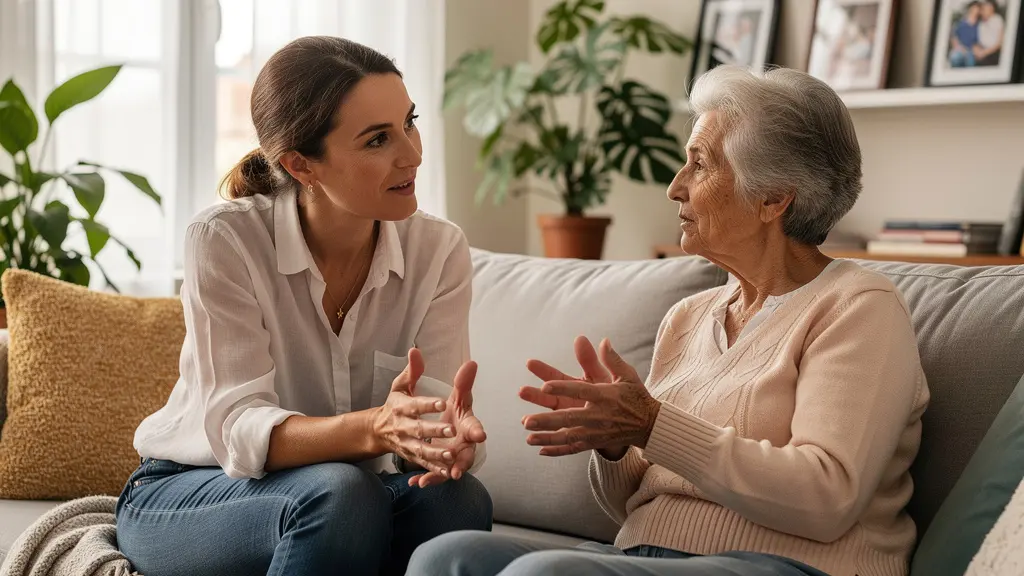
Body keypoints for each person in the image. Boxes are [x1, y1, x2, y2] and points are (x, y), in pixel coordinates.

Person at [411, 65, 930, 576]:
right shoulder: (688, 317)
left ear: (773, 197)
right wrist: (615, 444)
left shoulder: (858, 307)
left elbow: (827, 496)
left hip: (788, 565)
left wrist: (653, 424)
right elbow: (635, 505)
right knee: (447, 558)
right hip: (647, 555)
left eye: (699, 164)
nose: (675, 187)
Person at [114, 36, 492, 576]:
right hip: (189, 491)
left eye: (409, 122)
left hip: (346, 493)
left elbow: (425, 422)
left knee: (459, 500)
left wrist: (441, 442)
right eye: (377, 140)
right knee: (338, 492)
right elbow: (239, 428)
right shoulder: (225, 239)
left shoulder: (439, 249)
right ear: (301, 166)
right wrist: (374, 428)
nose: (412, 154)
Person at [950, 1, 981, 68]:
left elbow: (978, 41)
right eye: (974, 8)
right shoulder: (961, 23)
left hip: (972, 51)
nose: (975, 10)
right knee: (955, 58)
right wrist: (959, 47)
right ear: (970, 9)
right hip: (961, 49)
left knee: (970, 62)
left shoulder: (979, 25)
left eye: (977, 8)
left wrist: (976, 49)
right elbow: (954, 36)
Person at [974, 0, 1005, 66]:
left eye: (984, 9)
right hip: (983, 51)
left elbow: (999, 43)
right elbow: (979, 41)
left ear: (991, 9)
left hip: (994, 52)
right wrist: (977, 50)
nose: (982, 12)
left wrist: (984, 53)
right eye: (982, 9)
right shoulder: (981, 24)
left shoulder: (997, 20)